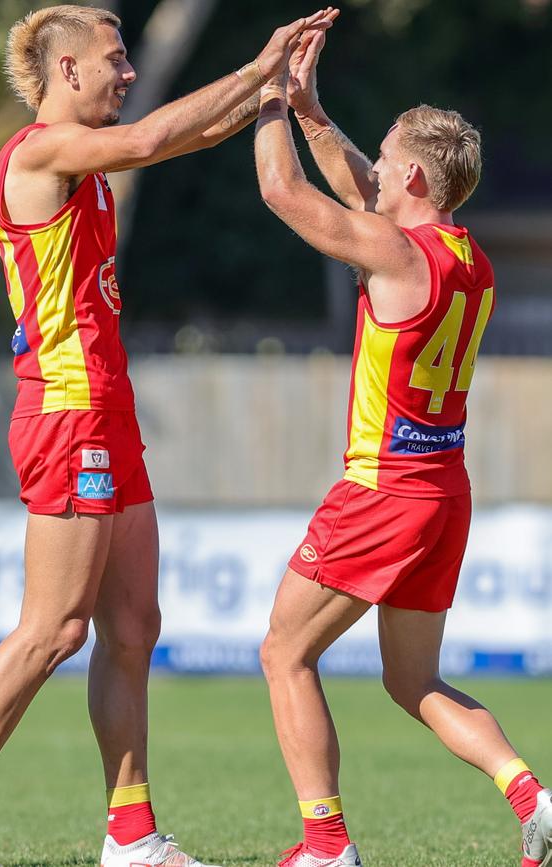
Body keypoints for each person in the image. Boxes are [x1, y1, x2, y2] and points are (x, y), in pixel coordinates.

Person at [0, 6, 335, 867]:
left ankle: (130, 835)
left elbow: (183, 134)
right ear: (66, 72)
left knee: (134, 624)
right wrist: (257, 65)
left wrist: (277, 92)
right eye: (115, 57)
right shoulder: (39, 153)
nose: (129, 70)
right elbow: (146, 143)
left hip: (109, 411)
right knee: (53, 629)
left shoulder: (87, 156)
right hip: (65, 413)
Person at [254, 12, 552, 867]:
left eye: (387, 159)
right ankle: (531, 794)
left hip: (381, 490)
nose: (376, 169)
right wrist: (313, 114)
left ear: (414, 174)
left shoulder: (394, 254)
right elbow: (363, 198)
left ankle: (325, 846)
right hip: (443, 493)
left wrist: (266, 94)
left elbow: (286, 195)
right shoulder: (468, 258)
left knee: (284, 652)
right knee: (411, 681)